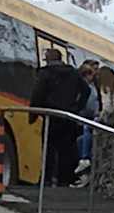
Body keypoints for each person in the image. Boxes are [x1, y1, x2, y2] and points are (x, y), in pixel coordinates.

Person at [30, 49, 88, 187]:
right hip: (68, 117)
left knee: (48, 150)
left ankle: (46, 179)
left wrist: (33, 113)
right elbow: (86, 90)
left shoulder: (45, 74)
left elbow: (37, 94)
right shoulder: (73, 73)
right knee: (67, 149)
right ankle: (65, 179)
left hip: (51, 116)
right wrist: (77, 107)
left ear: (48, 59)